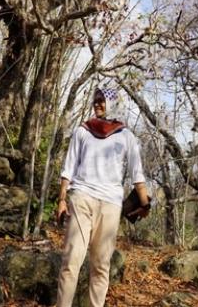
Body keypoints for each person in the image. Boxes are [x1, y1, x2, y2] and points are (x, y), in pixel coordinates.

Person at [55, 87, 150, 307]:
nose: (97, 104)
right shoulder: (82, 131)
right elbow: (67, 169)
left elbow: (138, 176)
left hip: (110, 206)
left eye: (103, 100)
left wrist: (144, 204)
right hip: (81, 199)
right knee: (71, 262)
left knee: (101, 266)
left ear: (114, 103)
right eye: (95, 100)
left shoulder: (126, 136)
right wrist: (61, 200)